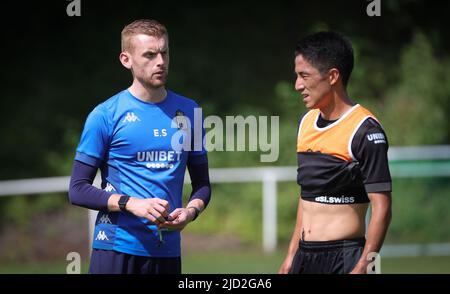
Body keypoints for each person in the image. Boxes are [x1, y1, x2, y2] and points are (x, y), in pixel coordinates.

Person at [68, 19, 211, 274]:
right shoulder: (105, 115)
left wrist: (190, 212)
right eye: (150, 54)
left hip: (167, 252)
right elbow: (78, 190)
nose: (160, 61)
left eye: (164, 52)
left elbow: (202, 185)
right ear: (126, 60)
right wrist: (131, 203)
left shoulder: (191, 111)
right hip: (116, 249)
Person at [279, 31, 392, 274]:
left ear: (332, 76)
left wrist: (364, 265)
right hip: (304, 256)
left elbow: (381, 207)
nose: (298, 85)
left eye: (304, 76)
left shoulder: (365, 130)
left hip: (346, 258)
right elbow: (307, 196)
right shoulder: (306, 123)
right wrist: (291, 255)